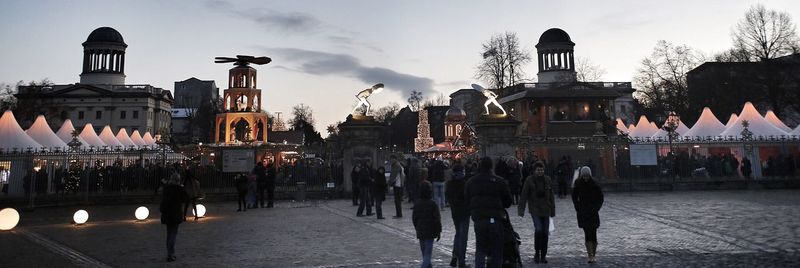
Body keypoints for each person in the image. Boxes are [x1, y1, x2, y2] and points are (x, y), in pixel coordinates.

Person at [465, 157, 512, 268]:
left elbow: (467, 200)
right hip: (495, 218)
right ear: (491, 166)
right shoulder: (499, 181)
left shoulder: (471, 181)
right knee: (497, 249)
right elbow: (508, 201)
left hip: (479, 219)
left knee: (480, 248)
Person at [518, 161, 555, 263]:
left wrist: (553, 211)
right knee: (539, 229)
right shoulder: (529, 180)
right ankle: (536, 253)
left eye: (542, 170)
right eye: (538, 170)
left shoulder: (547, 180)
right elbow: (524, 195)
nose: (540, 172)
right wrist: (521, 211)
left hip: (546, 209)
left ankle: (543, 255)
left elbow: (551, 196)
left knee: (545, 233)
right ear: (534, 171)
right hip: (535, 209)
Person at [572, 166, 604, 263]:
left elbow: (600, 198)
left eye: (587, 176)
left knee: (593, 233)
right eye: (584, 176)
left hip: (593, 212)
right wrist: (578, 207)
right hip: (583, 212)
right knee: (587, 232)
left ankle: (593, 253)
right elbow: (574, 196)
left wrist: (597, 208)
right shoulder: (578, 183)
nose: (585, 178)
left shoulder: (595, 184)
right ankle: (590, 254)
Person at [160, 165, 188, 262]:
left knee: (169, 234)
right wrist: (181, 187)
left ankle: (169, 253)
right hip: (175, 213)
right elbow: (185, 198)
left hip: (167, 213)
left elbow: (163, 201)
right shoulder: (179, 189)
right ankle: (171, 254)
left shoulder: (167, 188)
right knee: (173, 234)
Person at [413, 181, 441, 268]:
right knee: (427, 254)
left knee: (424, 253)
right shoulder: (433, 204)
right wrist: (438, 231)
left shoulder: (417, 203)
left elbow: (414, 218)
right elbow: (437, 219)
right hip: (430, 231)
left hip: (421, 231)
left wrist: (417, 227)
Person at [445, 162, 469, 268]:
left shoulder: (449, 184)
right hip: (464, 212)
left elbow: (448, 198)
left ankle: (454, 256)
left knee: (458, 234)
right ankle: (461, 261)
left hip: (455, 212)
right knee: (463, 236)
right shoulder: (464, 184)